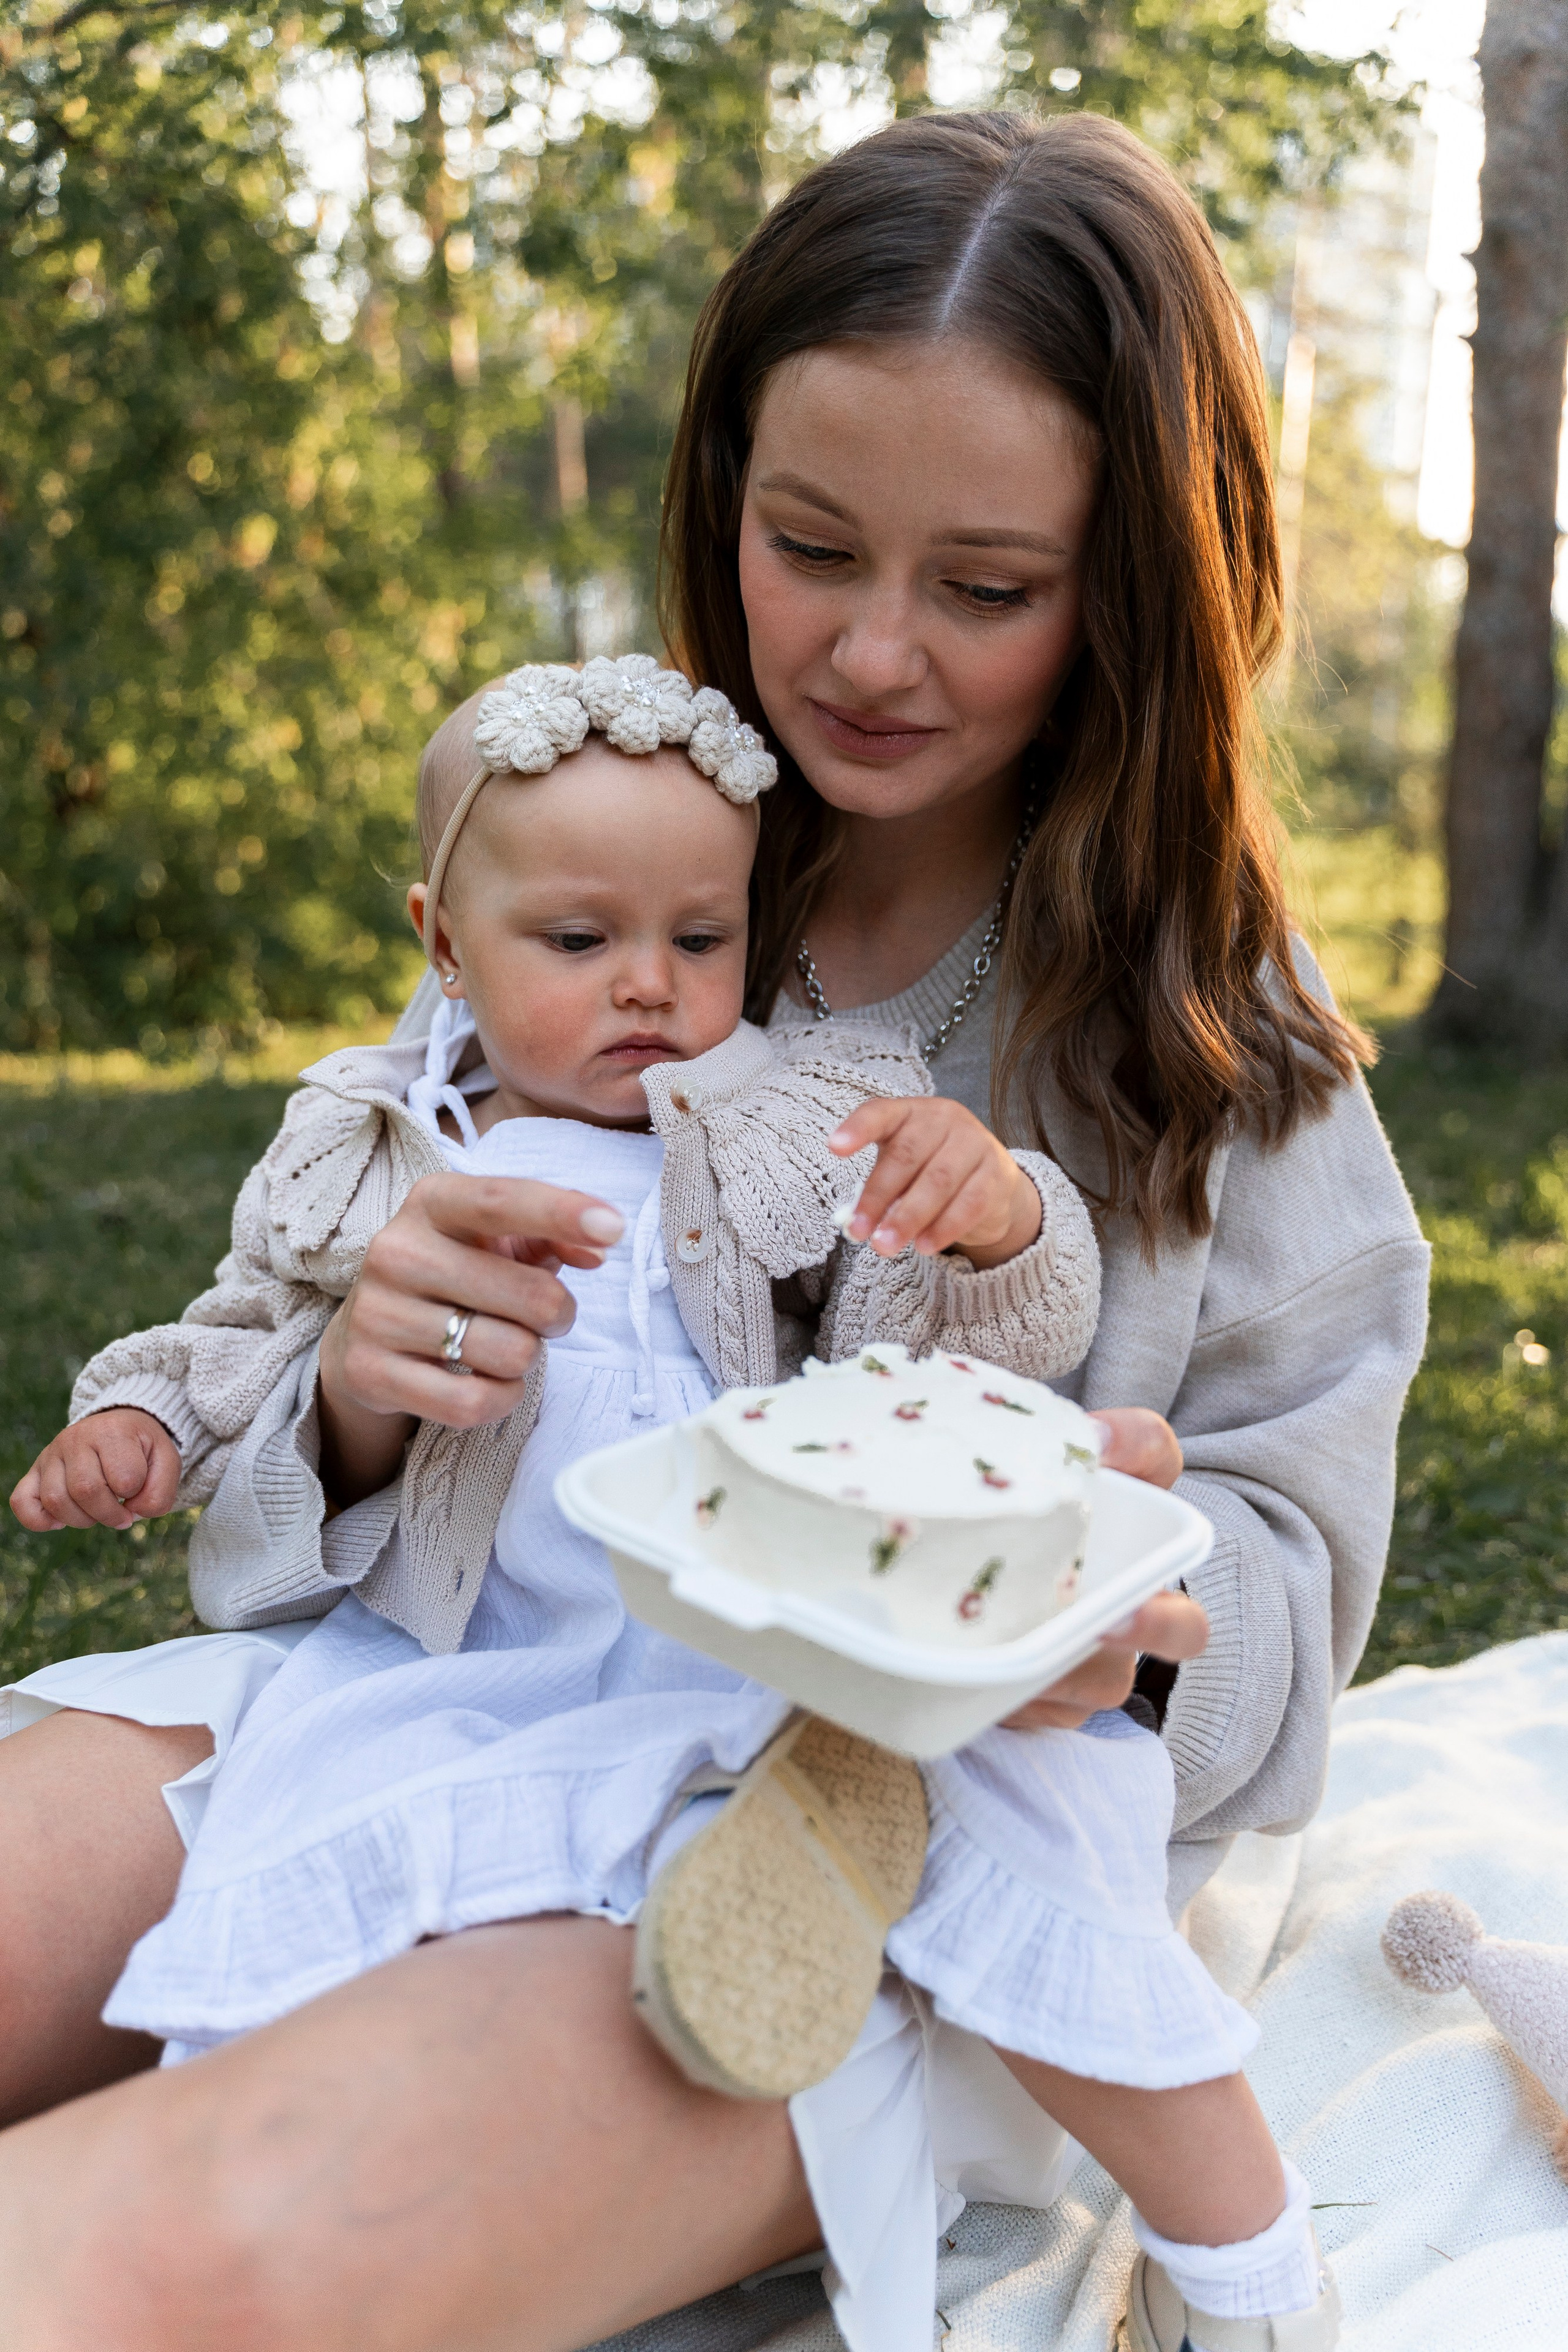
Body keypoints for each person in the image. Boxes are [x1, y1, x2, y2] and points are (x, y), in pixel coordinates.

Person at [0, 108, 1425, 2352]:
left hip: (861, 1836)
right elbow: (295, 1434)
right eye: (807, 543)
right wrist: (365, 1411)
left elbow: (1286, 1602)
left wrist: (1124, 1605)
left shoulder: (1221, 1057)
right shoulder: (607, 876)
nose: (866, 654)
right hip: (422, 1685)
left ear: (1138, 587)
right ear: (720, 498)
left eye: (986, 587)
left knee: (187, 2243)